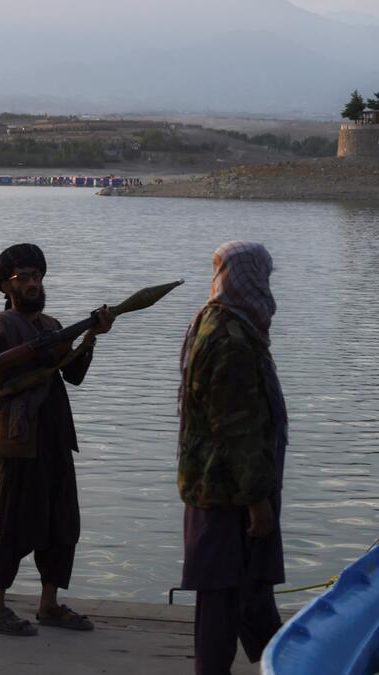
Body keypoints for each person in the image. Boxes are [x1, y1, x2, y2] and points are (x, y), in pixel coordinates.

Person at [0, 243, 114, 636]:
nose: (33, 284)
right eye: (24, 278)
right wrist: (40, 361)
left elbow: (74, 375)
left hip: (55, 437)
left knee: (62, 522)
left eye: (37, 277)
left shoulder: (51, 327)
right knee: (16, 524)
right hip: (20, 440)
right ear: (6, 284)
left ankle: (48, 604)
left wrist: (90, 338)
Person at [178, 241, 286, 675]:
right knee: (225, 599)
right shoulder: (230, 339)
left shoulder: (220, 322)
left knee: (248, 593)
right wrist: (257, 501)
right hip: (229, 494)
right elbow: (236, 430)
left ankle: (284, 663)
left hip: (221, 487)